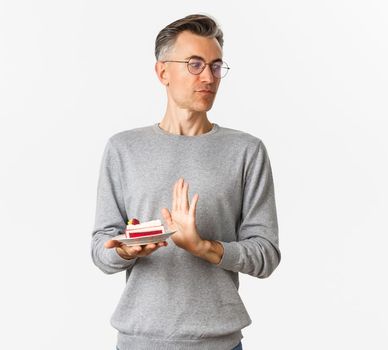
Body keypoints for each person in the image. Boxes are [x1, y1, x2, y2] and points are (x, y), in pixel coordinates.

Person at [91, 14, 281, 350]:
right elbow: (101, 248)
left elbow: (265, 254)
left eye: (216, 65)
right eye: (195, 64)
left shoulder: (246, 151)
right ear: (162, 71)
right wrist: (126, 249)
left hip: (219, 343)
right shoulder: (123, 149)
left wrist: (204, 247)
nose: (208, 76)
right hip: (139, 341)